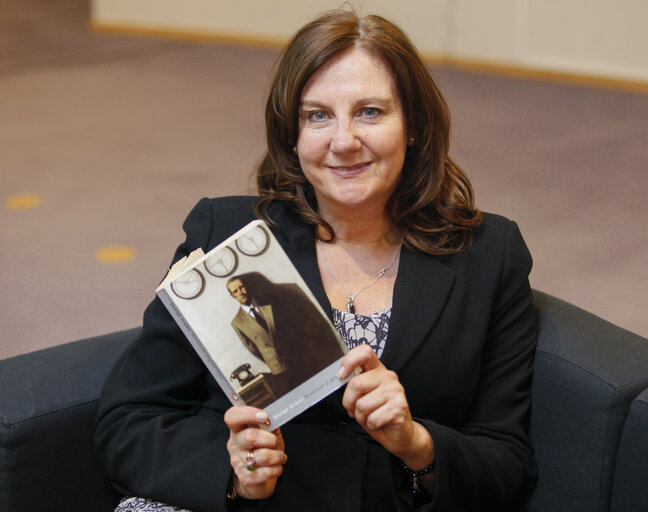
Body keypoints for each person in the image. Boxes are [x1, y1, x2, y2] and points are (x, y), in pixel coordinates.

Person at [95, 8, 538, 512]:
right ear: (292, 133)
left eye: (370, 112)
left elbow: (507, 462)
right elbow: (128, 422)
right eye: (317, 116)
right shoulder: (227, 237)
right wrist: (234, 475)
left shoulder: (488, 254)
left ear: (413, 125)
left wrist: (416, 443)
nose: (344, 142)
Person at [226, 272, 344, 397]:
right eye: (235, 291)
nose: (241, 292)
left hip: (301, 358)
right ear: (232, 296)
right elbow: (253, 349)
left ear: (247, 286)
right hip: (279, 368)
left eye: (241, 287)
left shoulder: (269, 303)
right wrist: (272, 358)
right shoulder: (237, 323)